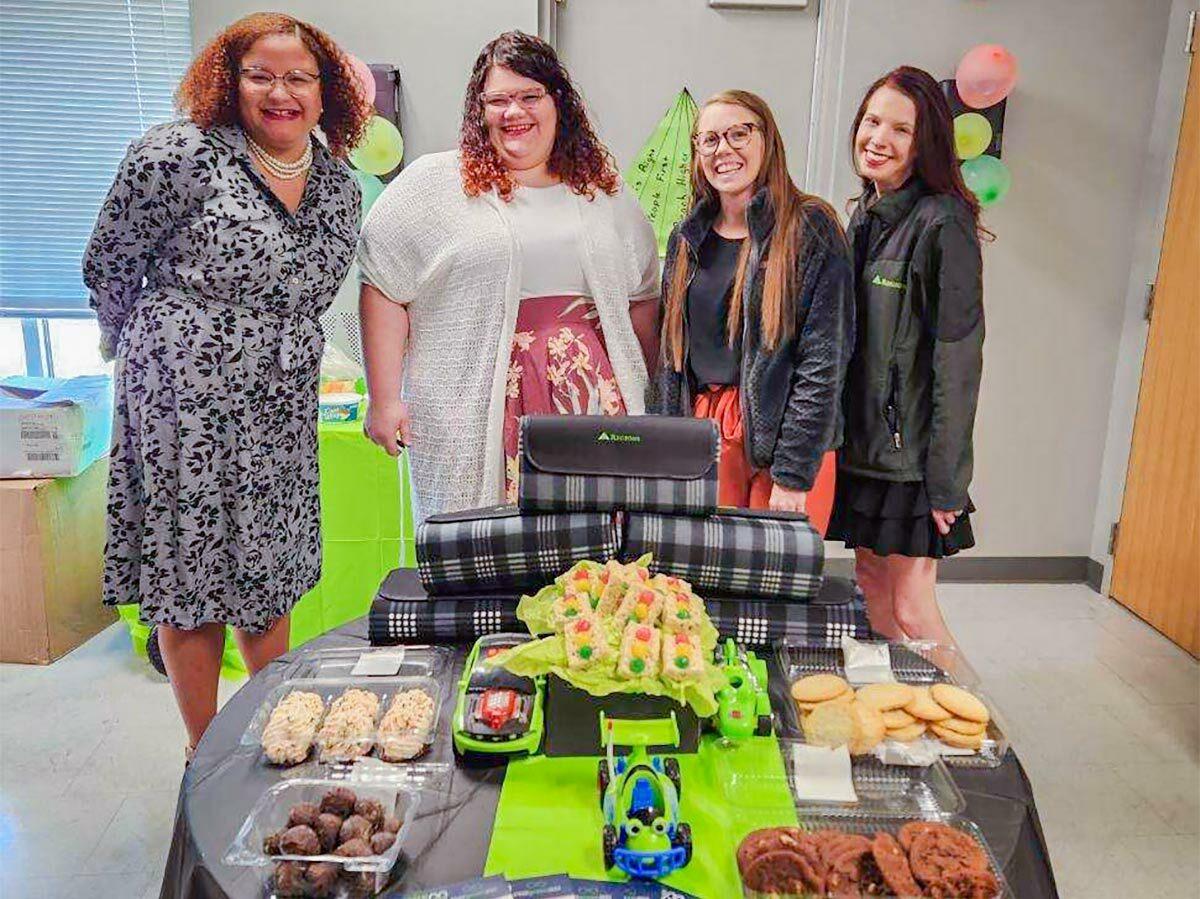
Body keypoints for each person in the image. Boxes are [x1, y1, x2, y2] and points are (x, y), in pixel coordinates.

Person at [83, 13, 367, 755]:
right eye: (260, 75)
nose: (281, 92)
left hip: (278, 400)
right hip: (184, 398)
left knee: (266, 566)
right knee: (192, 569)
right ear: (228, 80)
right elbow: (109, 261)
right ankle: (205, 751)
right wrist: (136, 346)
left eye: (299, 77)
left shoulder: (339, 184)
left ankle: (273, 732)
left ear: (325, 90)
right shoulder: (179, 153)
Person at [358, 31, 659, 518]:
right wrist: (384, 398)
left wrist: (646, 395)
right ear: (481, 111)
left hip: (592, 399)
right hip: (479, 400)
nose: (513, 112)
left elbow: (643, 297)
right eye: (497, 100)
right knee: (489, 542)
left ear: (557, 102)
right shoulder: (436, 185)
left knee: (593, 540)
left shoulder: (604, 193)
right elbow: (384, 286)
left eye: (528, 96)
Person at [828, 66, 986, 643]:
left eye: (901, 129)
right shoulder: (863, 215)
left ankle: (968, 730)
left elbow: (959, 359)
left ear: (927, 143)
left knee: (914, 608)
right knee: (870, 581)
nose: (878, 138)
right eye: (872, 121)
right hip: (866, 450)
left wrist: (947, 481)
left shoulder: (944, 223)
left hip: (912, 459)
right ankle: (895, 713)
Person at [650, 90, 853, 533]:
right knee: (702, 582)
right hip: (703, 435)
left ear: (767, 140)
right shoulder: (686, 239)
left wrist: (795, 473)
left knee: (772, 588)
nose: (723, 149)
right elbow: (670, 361)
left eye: (738, 133)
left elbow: (825, 360)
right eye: (709, 140)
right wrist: (666, 453)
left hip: (783, 436)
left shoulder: (810, 226)